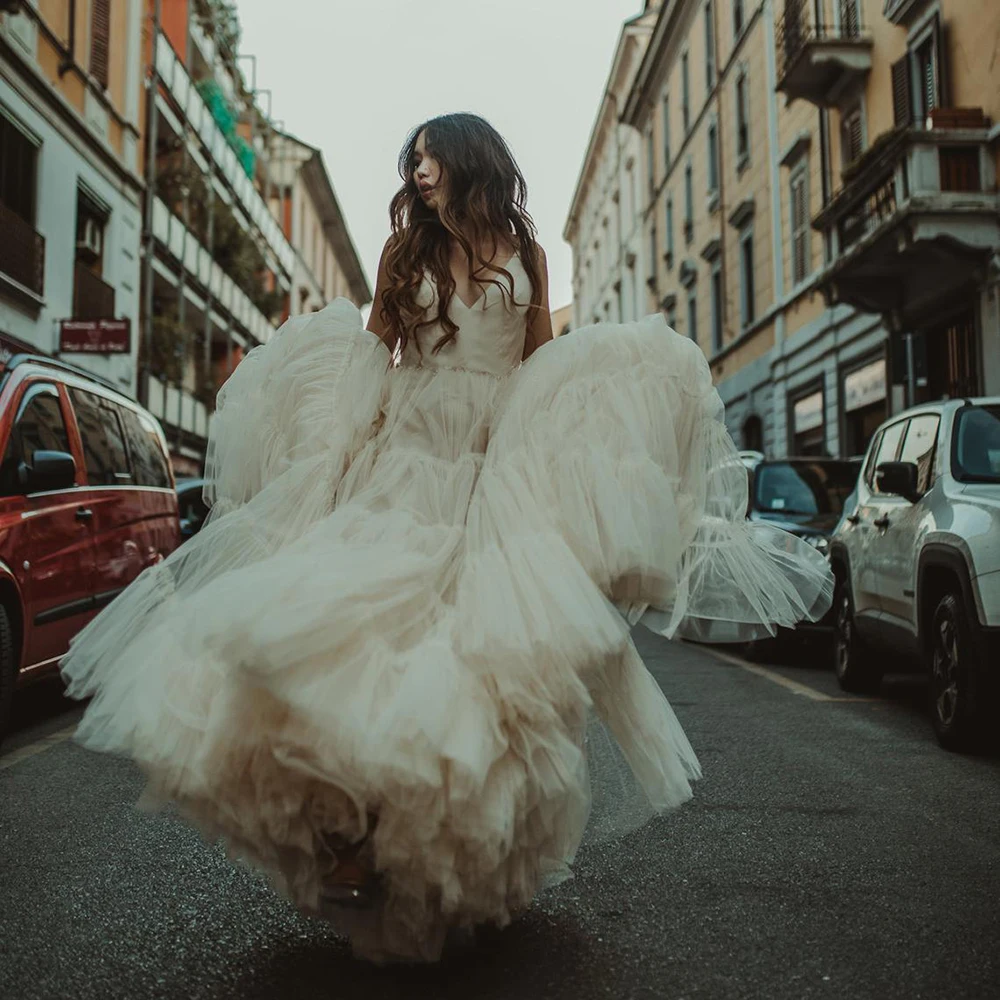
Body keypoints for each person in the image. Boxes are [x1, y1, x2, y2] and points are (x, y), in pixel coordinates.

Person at [61, 113, 832, 964]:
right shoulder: (405, 256)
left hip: (486, 474)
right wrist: (334, 466)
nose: (417, 170)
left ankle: (418, 848)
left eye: (427, 156)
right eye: (411, 160)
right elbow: (373, 364)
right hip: (402, 463)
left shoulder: (528, 258)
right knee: (359, 644)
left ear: (467, 158)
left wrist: (578, 445)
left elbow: (540, 372)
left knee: (470, 669)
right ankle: (350, 839)